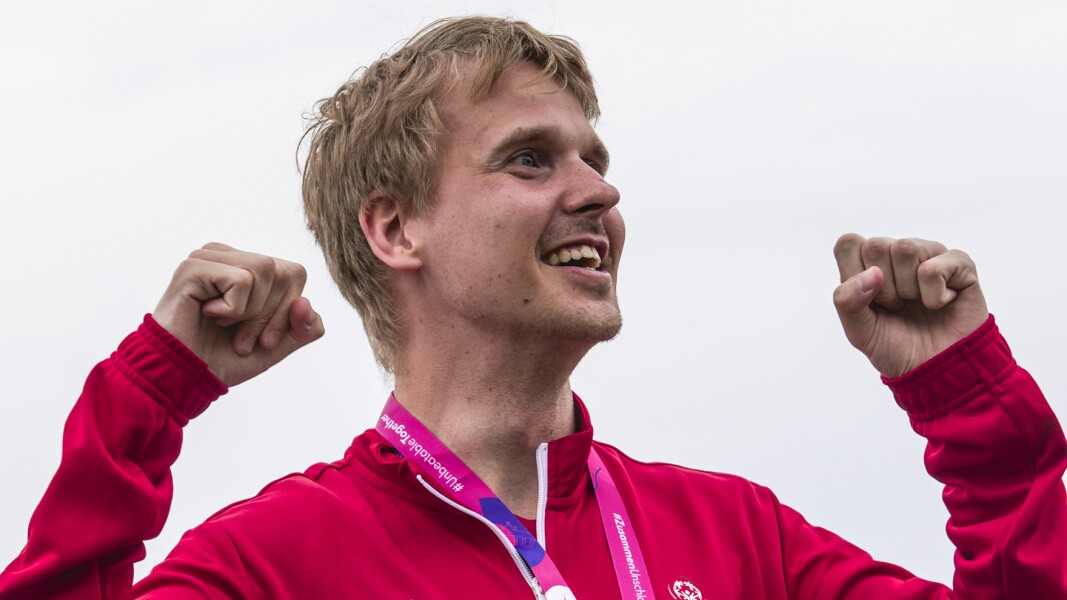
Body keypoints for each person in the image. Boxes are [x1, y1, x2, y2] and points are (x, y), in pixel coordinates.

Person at [1, 15, 1064, 600]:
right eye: (528, 159)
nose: (596, 191)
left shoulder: (740, 539)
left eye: (597, 162)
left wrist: (966, 405)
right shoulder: (276, 563)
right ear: (395, 230)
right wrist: (147, 400)